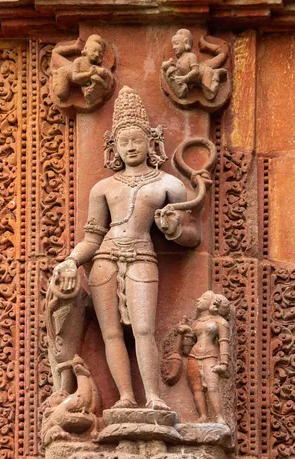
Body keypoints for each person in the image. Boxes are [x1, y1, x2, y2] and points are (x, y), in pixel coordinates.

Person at [51, 86, 201, 410]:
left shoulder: (168, 184)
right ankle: (126, 397)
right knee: (112, 334)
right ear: (114, 146)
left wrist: (174, 230)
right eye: (124, 141)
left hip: (142, 256)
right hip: (105, 258)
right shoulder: (104, 187)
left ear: (151, 142)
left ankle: (156, 397)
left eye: (137, 140)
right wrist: (71, 261)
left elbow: (193, 235)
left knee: (144, 329)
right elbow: (92, 238)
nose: (131, 147)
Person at [182, 291, 231, 423]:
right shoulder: (196, 322)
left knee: (212, 386)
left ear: (212, 303)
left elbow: (223, 341)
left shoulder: (220, 321)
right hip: (193, 355)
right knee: (197, 388)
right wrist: (185, 332)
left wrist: (224, 363)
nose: (198, 299)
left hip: (211, 356)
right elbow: (188, 345)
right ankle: (203, 416)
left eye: (203, 298)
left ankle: (219, 416)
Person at [52, 34, 113, 107]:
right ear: (86, 49)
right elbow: (75, 77)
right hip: (65, 74)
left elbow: (103, 74)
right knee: (61, 95)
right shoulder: (79, 61)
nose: (97, 54)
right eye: (94, 51)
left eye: (99, 53)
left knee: (87, 89)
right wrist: (89, 74)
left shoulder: (95, 66)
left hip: (83, 83)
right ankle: (55, 74)